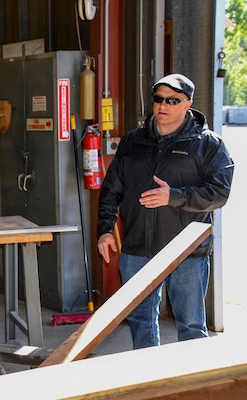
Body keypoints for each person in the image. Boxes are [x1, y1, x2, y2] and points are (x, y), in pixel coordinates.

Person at [97, 73, 234, 349]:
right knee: (140, 321)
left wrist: (173, 197)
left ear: (187, 104)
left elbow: (219, 193)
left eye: (172, 100)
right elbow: (112, 188)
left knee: (191, 326)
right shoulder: (133, 141)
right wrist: (105, 230)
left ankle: (194, 390)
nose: (163, 105)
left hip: (185, 252)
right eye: (158, 98)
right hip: (137, 248)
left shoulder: (209, 145)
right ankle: (153, 386)